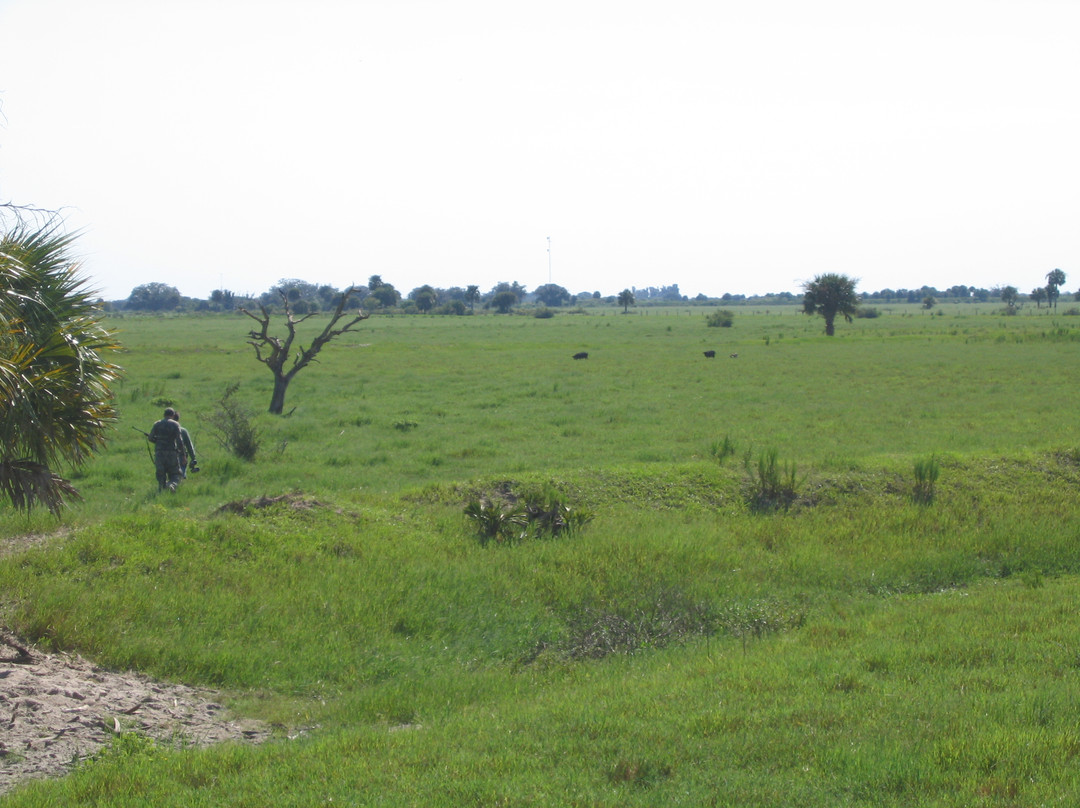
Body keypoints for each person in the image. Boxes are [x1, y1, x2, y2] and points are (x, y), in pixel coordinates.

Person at [148, 407, 184, 491]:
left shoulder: (157, 424)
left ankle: (162, 489)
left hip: (159, 453)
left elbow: (150, 438)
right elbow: (179, 440)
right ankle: (171, 485)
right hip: (172, 453)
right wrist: (182, 453)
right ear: (173, 415)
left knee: (161, 473)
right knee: (175, 473)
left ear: (164, 415)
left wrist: (158, 441)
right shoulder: (175, 424)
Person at [169, 410, 198, 477]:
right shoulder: (183, 431)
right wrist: (193, 458)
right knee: (180, 476)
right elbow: (189, 446)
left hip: (168, 457)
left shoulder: (165, 430)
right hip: (181, 457)